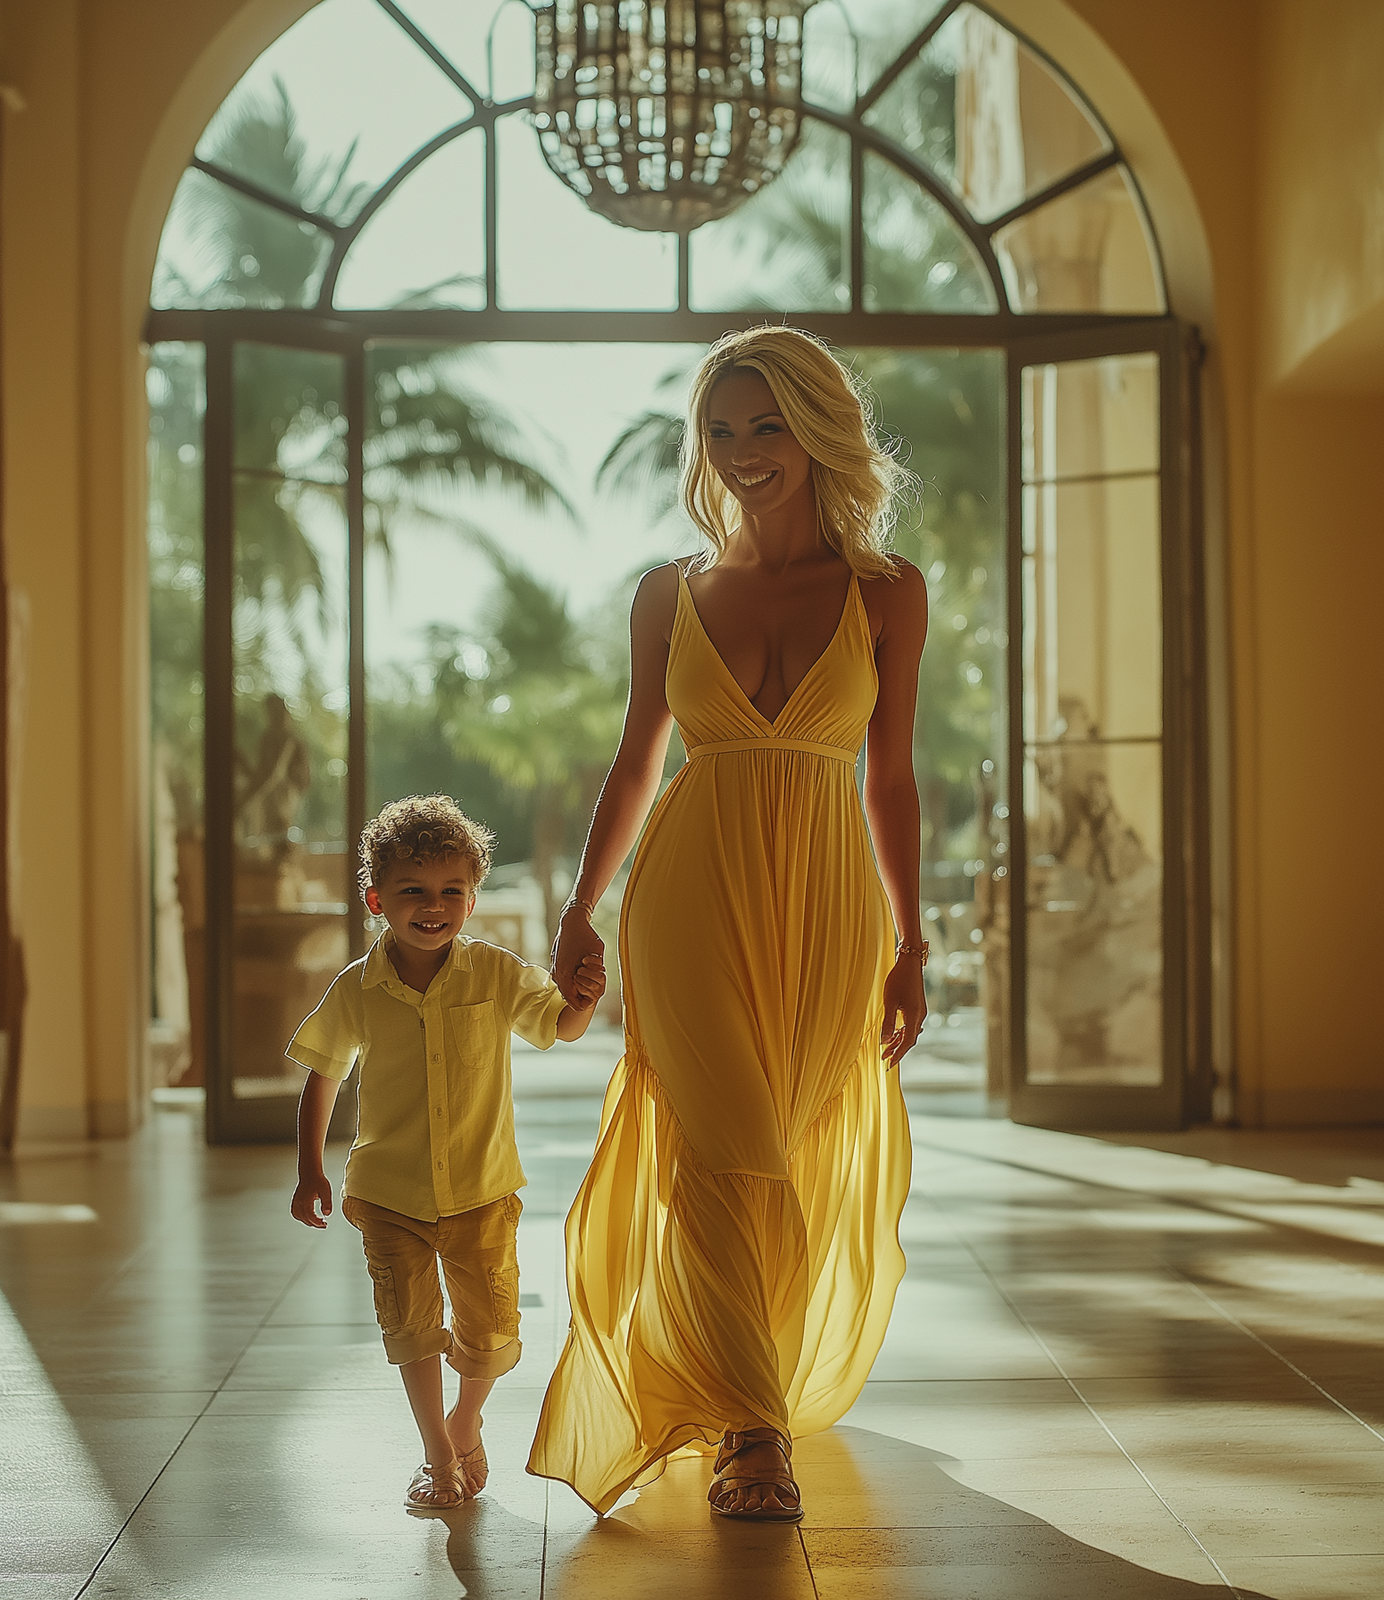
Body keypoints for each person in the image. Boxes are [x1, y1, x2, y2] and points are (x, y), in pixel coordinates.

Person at [528, 326, 930, 1521]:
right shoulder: (670, 593)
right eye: (720, 430)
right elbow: (636, 758)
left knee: (793, 1138)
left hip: (826, 897)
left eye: (767, 426)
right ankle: (755, 1429)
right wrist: (583, 905)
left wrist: (914, 940)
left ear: (816, 431)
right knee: (725, 1138)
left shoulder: (887, 591)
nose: (744, 453)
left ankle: (746, 1376)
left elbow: (891, 777)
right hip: (689, 889)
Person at [288, 794, 606, 1510]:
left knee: (491, 1336)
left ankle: (466, 1420)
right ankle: (436, 1450)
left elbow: (557, 1026)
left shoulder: (492, 973)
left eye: (450, 892)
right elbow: (323, 1074)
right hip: (390, 1194)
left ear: (471, 897)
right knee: (409, 1329)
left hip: (482, 1192)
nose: (433, 907)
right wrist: (310, 1167)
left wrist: (582, 1000)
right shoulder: (358, 989)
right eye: (412, 892)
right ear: (377, 899)